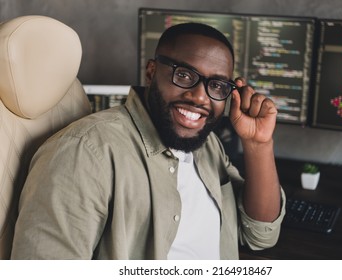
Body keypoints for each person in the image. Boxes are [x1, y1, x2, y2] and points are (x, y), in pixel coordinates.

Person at [11, 22, 285, 260]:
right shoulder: (85, 152)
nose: (200, 98)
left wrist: (258, 145)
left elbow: (260, 236)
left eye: (217, 86)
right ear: (152, 72)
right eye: (184, 75)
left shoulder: (207, 145)